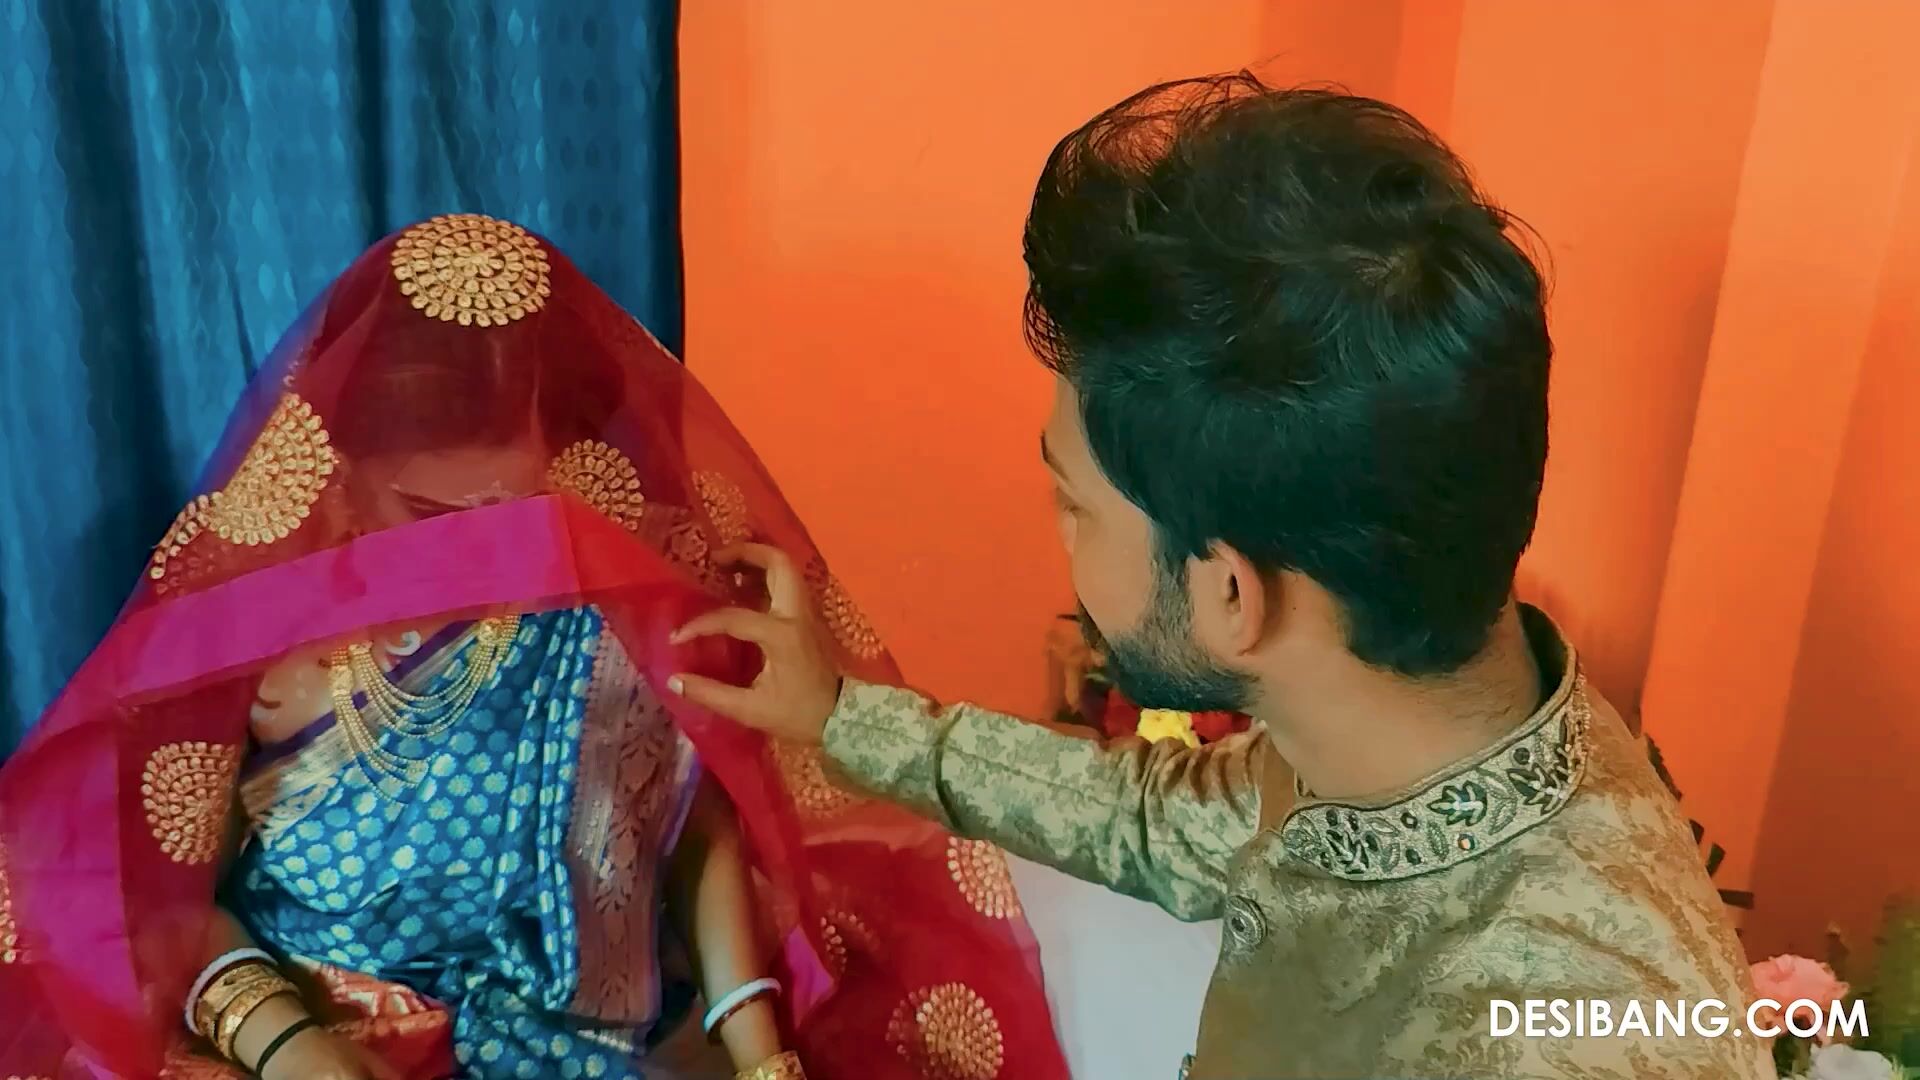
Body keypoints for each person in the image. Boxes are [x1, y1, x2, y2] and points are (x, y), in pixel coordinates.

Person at [667, 75, 1773, 1079]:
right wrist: (840, 714)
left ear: (1233, 595)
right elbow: (1169, 822)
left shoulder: (1553, 1036)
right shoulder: (1421, 726)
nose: (1060, 536)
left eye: (1073, 503)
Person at [0, 215, 1070, 1080]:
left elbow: (689, 829)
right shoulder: (248, 632)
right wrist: (288, 1044)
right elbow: (140, 889)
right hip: (307, 1037)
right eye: (427, 516)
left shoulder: (612, 602)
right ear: (345, 470)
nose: (473, 554)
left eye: (509, 511)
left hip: (581, 1049)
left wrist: (763, 1057)